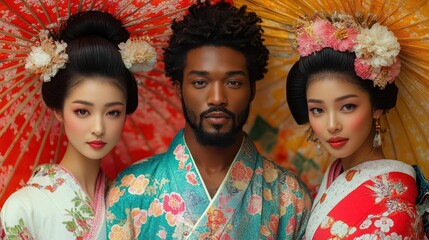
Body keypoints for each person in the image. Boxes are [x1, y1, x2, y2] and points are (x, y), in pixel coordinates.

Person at [106, 1, 312, 239]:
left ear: (252, 89)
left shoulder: (289, 196)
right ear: (179, 88)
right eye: (200, 83)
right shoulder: (131, 189)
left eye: (233, 82)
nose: (217, 98)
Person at [0, 10, 152, 239]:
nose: (99, 127)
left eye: (113, 112)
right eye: (82, 111)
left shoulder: (130, 201)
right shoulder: (24, 209)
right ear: (59, 111)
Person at [286, 13, 427, 239]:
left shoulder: (395, 210)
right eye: (317, 110)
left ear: (376, 106)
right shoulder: (335, 175)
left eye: (348, 107)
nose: (331, 125)